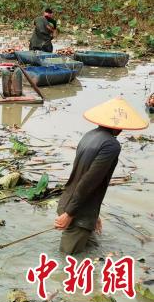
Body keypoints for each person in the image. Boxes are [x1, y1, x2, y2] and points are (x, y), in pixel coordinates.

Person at [54, 98, 149, 254]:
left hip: (71, 203)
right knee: (67, 260)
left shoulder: (89, 135)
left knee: (92, 251)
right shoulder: (111, 145)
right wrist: (70, 214)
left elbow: (81, 175)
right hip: (78, 212)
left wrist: (94, 213)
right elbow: (89, 181)